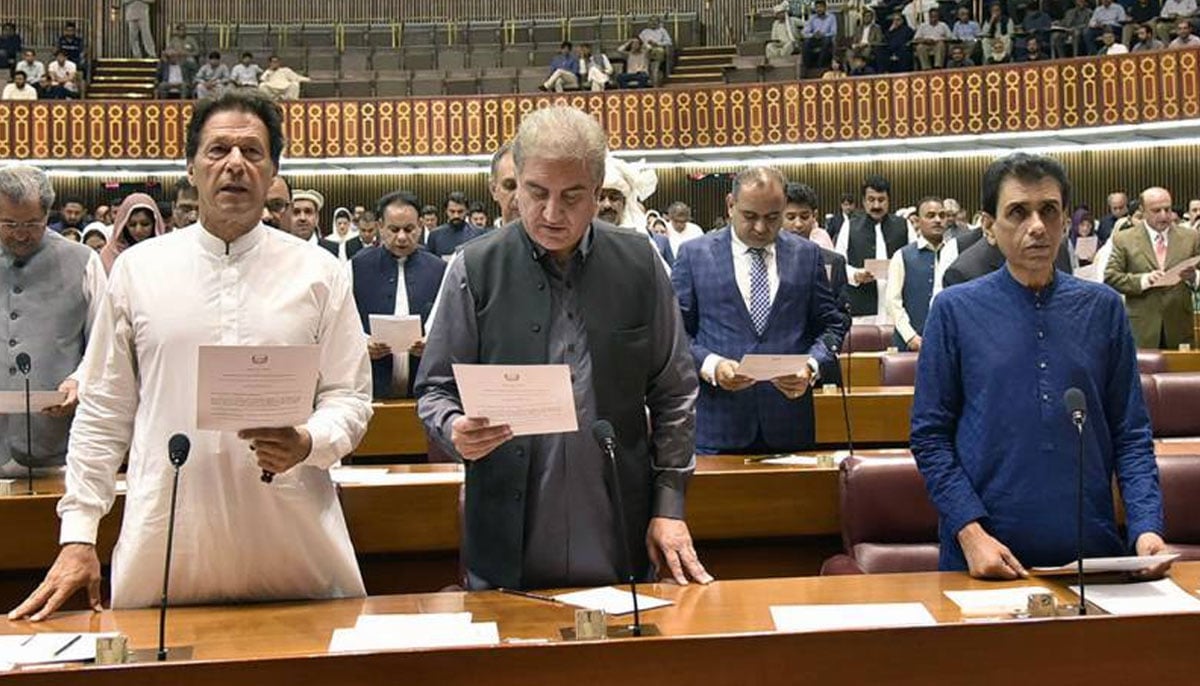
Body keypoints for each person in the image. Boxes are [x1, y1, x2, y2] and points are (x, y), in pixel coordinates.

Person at [9, 90, 371, 620]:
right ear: (191, 167)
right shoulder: (139, 271)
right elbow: (105, 408)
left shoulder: (319, 272)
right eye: (218, 149)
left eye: (252, 152)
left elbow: (350, 396)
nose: (235, 165)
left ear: (273, 173)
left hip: (295, 540)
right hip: (168, 535)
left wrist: (309, 440)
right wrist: (79, 534)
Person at [416, 105, 710, 591]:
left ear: (599, 194)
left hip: (619, 520)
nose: (552, 214)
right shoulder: (474, 268)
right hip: (508, 527)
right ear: (515, 184)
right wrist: (454, 429)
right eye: (536, 193)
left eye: (572, 197)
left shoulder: (641, 265)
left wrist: (669, 505)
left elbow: (675, 392)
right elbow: (434, 390)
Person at [911, 152, 1168, 578]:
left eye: (1049, 211)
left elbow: (1131, 433)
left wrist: (1145, 528)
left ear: (1065, 220)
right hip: (985, 555)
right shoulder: (953, 311)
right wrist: (970, 533)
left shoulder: (1102, 308)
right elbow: (930, 438)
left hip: (1091, 552)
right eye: (1018, 212)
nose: (1037, 226)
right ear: (989, 227)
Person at [672, 168, 846, 455]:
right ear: (730, 205)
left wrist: (811, 367)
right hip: (719, 424)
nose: (761, 228)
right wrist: (712, 365)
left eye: (773, 217)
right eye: (750, 216)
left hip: (788, 423)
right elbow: (675, 331)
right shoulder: (694, 255)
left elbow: (831, 325)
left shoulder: (807, 255)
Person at [0, 165, 106, 478]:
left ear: (49, 214)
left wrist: (80, 381)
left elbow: (104, 341)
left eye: (32, 223)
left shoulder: (84, 260)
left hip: (58, 446)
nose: (20, 233)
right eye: (8, 223)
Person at [352, 191, 446, 399]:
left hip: (425, 387)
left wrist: (432, 343)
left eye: (409, 229)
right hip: (371, 385)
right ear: (380, 227)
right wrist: (363, 342)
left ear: (420, 226)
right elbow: (343, 321)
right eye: (394, 229)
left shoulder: (439, 269)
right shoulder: (357, 266)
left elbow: (449, 321)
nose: (402, 237)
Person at [1104, 187, 1200, 349]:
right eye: (1156, 210)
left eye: (1167, 209)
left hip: (1180, 327)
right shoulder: (1124, 239)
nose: (1164, 215)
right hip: (1141, 328)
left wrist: (1194, 277)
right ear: (1142, 211)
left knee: (1180, 373)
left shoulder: (1191, 237)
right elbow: (1110, 277)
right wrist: (1143, 280)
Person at [783, 182, 850, 384]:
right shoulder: (766, 260)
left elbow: (842, 317)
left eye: (804, 217)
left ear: (815, 217)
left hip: (821, 363)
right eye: (790, 217)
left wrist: (817, 356)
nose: (798, 224)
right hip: (779, 363)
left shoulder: (833, 261)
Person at [884, 197, 956, 351]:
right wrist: (910, 337)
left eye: (942, 215)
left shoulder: (955, 254)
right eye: (930, 216)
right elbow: (892, 302)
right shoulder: (902, 255)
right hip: (909, 343)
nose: (938, 220)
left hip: (949, 342)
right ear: (917, 220)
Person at [835, 175, 909, 320]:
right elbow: (839, 263)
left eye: (881, 200)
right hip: (861, 307)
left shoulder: (904, 225)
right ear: (863, 201)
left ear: (889, 201)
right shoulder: (849, 226)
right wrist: (855, 275)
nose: (876, 205)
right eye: (871, 200)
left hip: (897, 307)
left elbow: (913, 260)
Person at [99, 193, 166, 275]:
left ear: (155, 224)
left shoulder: (165, 253)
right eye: (132, 225)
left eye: (145, 224)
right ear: (123, 225)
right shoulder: (109, 254)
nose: (138, 230)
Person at [426, 192, 483, 257]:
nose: (456, 216)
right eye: (452, 211)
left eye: (460, 211)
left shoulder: (478, 234)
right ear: (446, 211)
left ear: (467, 211)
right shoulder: (435, 235)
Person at [488, 142, 519, 228]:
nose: (518, 196)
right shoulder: (478, 241)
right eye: (510, 186)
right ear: (494, 189)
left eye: (528, 187)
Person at [803, 1, 838, 68]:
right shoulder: (812, 18)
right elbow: (805, 32)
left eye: (821, 7)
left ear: (825, 8)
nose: (819, 9)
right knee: (806, 42)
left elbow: (834, 32)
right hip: (815, 38)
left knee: (827, 41)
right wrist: (813, 35)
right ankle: (807, 66)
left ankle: (820, 65)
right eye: (817, 7)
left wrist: (823, 34)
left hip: (826, 38)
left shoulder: (831, 17)